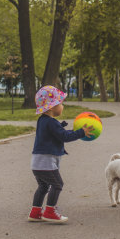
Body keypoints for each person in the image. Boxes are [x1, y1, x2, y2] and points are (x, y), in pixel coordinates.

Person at [27, 85, 93, 223]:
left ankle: (35, 212)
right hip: (46, 163)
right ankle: (50, 212)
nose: (62, 106)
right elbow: (64, 137)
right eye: (60, 103)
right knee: (57, 184)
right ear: (51, 107)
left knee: (43, 186)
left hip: (37, 162)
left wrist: (71, 131)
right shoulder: (51, 122)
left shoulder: (43, 121)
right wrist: (81, 132)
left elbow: (59, 134)